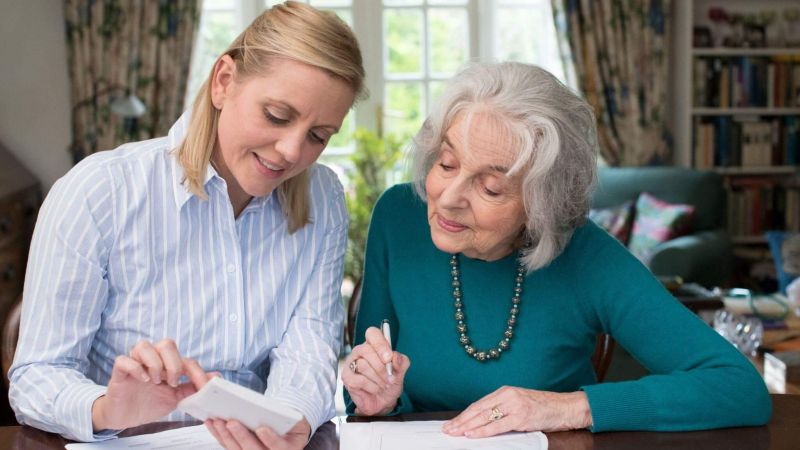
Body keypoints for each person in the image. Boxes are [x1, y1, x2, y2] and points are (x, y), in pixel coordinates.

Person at [342, 61, 772, 437]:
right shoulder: (399, 216)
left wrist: (564, 408)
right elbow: (365, 388)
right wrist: (374, 400)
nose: (450, 197)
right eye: (447, 164)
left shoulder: (587, 256)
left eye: (491, 187)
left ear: (541, 205)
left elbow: (737, 386)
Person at [9, 2, 364, 448]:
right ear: (223, 82)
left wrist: (290, 420)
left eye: (319, 136)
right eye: (277, 115)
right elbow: (36, 377)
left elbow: (309, 348)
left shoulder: (323, 198)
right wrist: (107, 408)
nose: (293, 151)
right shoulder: (100, 193)